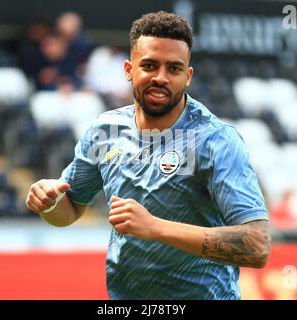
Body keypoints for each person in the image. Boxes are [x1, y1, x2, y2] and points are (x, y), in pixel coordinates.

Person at [26, 11, 271, 300]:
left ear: (188, 76)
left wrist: (155, 228)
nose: (161, 78)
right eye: (150, 65)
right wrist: (49, 203)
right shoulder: (105, 130)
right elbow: (69, 209)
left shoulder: (215, 140)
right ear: (129, 69)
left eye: (174, 69)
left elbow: (257, 246)